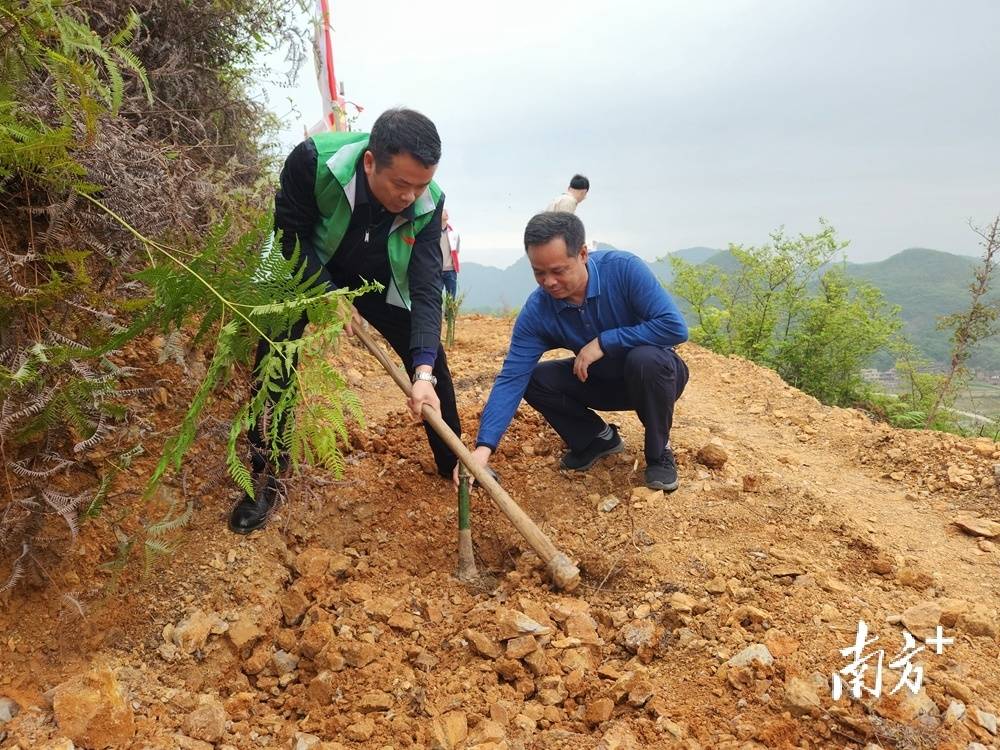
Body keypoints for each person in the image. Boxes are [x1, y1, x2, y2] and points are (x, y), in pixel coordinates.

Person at [230, 108, 461, 534]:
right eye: (401, 185)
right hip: (308, 266)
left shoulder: (430, 202)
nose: (411, 196)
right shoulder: (313, 163)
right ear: (370, 162)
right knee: (276, 361)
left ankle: (456, 464)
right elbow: (289, 235)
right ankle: (264, 477)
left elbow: (427, 287)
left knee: (431, 362)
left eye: (422, 185)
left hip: (377, 277)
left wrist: (423, 371)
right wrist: (327, 293)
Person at [460, 211, 689, 492]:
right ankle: (596, 440)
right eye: (539, 272)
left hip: (654, 378)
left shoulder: (624, 270)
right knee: (533, 379)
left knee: (646, 359)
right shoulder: (538, 311)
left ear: (582, 254)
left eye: (558, 271)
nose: (548, 282)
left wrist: (605, 342)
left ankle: (658, 451)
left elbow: (675, 327)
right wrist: (482, 450)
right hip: (601, 382)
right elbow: (512, 377)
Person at [441, 209, 460, 297]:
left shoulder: (454, 232)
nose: (446, 212)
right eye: (443, 211)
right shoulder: (433, 233)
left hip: (451, 270)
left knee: (451, 298)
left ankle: (449, 312)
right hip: (437, 269)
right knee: (436, 297)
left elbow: (457, 250)